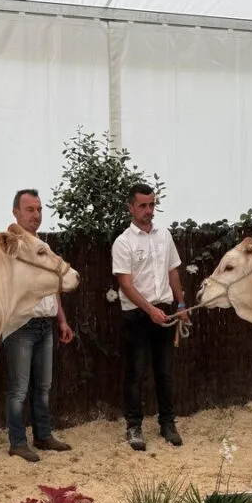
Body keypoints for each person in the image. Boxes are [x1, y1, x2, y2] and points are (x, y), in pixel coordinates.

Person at [111, 183, 190, 451]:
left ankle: (167, 424)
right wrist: (150, 311)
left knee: (165, 372)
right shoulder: (123, 242)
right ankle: (134, 427)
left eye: (152, 205)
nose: (148, 211)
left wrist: (180, 303)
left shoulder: (164, 236)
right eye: (143, 205)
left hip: (165, 310)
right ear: (131, 207)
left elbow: (173, 272)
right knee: (135, 374)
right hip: (137, 315)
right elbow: (126, 284)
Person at [2, 189, 75, 462]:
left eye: (39, 209)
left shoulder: (43, 246)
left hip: (45, 324)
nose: (36, 215)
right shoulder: (10, 248)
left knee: (43, 386)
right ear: (16, 213)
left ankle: (43, 436)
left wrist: (62, 319)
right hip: (20, 324)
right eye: (30, 209)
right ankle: (17, 442)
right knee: (19, 389)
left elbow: (53, 283)